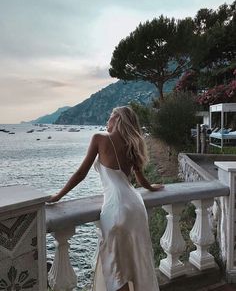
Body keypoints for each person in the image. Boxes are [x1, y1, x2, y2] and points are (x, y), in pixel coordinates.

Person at [48, 106, 164, 291]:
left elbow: (80, 173)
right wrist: (152, 187)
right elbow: (140, 179)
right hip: (135, 207)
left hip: (116, 208)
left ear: (117, 119)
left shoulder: (99, 138)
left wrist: (58, 195)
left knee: (117, 269)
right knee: (138, 262)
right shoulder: (132, 142)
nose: (107, 121)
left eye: (110, 117)